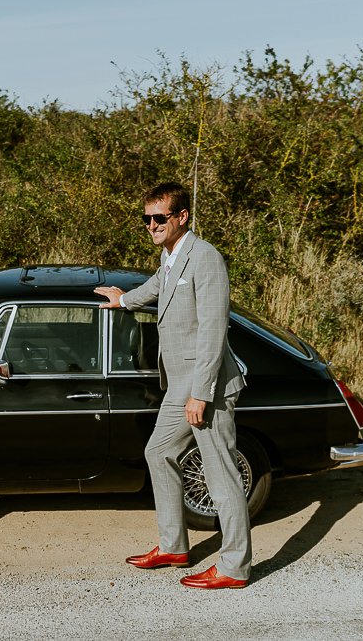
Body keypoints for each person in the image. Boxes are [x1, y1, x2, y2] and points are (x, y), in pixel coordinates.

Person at [94, 182, 251, 590]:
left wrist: (201, 393)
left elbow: (214, 330)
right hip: (179, 384)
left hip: (207, 385)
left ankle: (235, 566)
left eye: (159, 218)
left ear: (182, 217)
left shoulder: (206, 258)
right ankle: (174, 547)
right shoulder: (171, 257)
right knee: (158, 451)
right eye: (146, 219)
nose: (151, 225)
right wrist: (124, 300)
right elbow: (159, 288)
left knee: (220, 474)